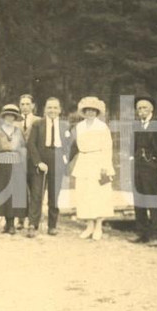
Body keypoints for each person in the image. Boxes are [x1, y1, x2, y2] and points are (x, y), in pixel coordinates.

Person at [70, 96, 115, 241]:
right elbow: (75, 146)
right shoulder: (79, 127)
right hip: (84, 162)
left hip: (99, 161)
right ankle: (89, 225)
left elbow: (107, 148)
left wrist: (105, 166)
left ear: (97, 112)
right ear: (84, 111)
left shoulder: (102, 127)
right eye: (87, 110)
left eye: (93, 110)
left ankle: (99, 226)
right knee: (84, 193)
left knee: (99, 194)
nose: (90, 113)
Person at [26, 97, 72, 237]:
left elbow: (70, 145)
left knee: (54, 194)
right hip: (41, 159)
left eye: (55, 108)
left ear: (59, 110)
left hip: (57, 159)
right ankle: (33, 225)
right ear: (45, 109)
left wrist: (65, 160)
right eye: (49, 107)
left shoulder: (65, 125)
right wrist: (38, 162)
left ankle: (52, 225)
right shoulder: (37, 124)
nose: (52, 110)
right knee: (37, 193)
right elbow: (31, 144)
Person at [132, 96, 157, 246]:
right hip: (137, 164)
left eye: (144, 107)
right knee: (138, 199)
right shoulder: (136, 124)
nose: (141, 111)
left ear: (151, 109)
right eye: (139, 108)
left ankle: (156, 234)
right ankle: (141, 233)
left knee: (151, 198)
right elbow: (133, 144)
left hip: (152, 165)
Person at [0, 104, 29, 234]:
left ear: (15, 118)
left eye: (12, 116)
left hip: (16, 164)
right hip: (3, 166)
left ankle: (12, 224)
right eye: (7, 115)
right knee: (5, 194)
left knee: (15, 193)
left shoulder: (18, 131)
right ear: (3, 117)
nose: (9, 118)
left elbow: (23, 148)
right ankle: (7, 224)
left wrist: (23, 162)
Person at [15, 94, 41, 230]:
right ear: (19, 106)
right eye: (22, 104)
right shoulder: (14, 122)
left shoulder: (39, 121)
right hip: (19, 161)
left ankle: (33, 222)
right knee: (20, 190)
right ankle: (20, 218)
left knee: (36, 191)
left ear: (33, 106)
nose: (25, 107)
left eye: (27, 104)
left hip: (34, 160)